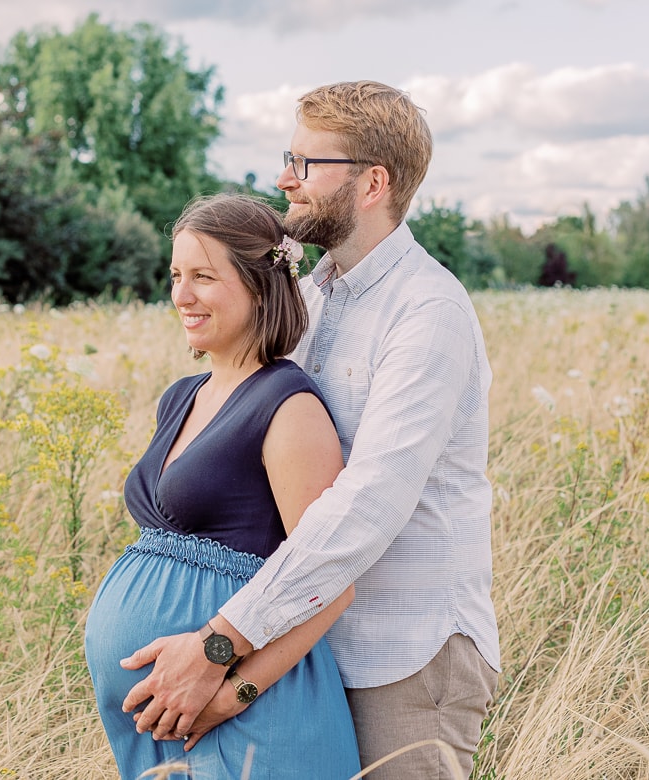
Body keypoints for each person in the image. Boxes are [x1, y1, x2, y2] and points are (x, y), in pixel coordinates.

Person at [119, 80, 501, 779]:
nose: (282, 179)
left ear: (372, 183)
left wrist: (219, 646)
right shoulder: (311, 297)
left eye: (306, 163)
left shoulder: (427, 312)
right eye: (286, 157)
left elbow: (366, 506)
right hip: (300, 646)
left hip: (400, 658)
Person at [84, 193, 362, 779]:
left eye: (204, 277)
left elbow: (330, 585)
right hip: (166, 724)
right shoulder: (181, 396)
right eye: (176, 275)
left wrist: (227, 696)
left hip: (249, 723)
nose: (181, 296)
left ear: (261, 286)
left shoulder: (289, 407)